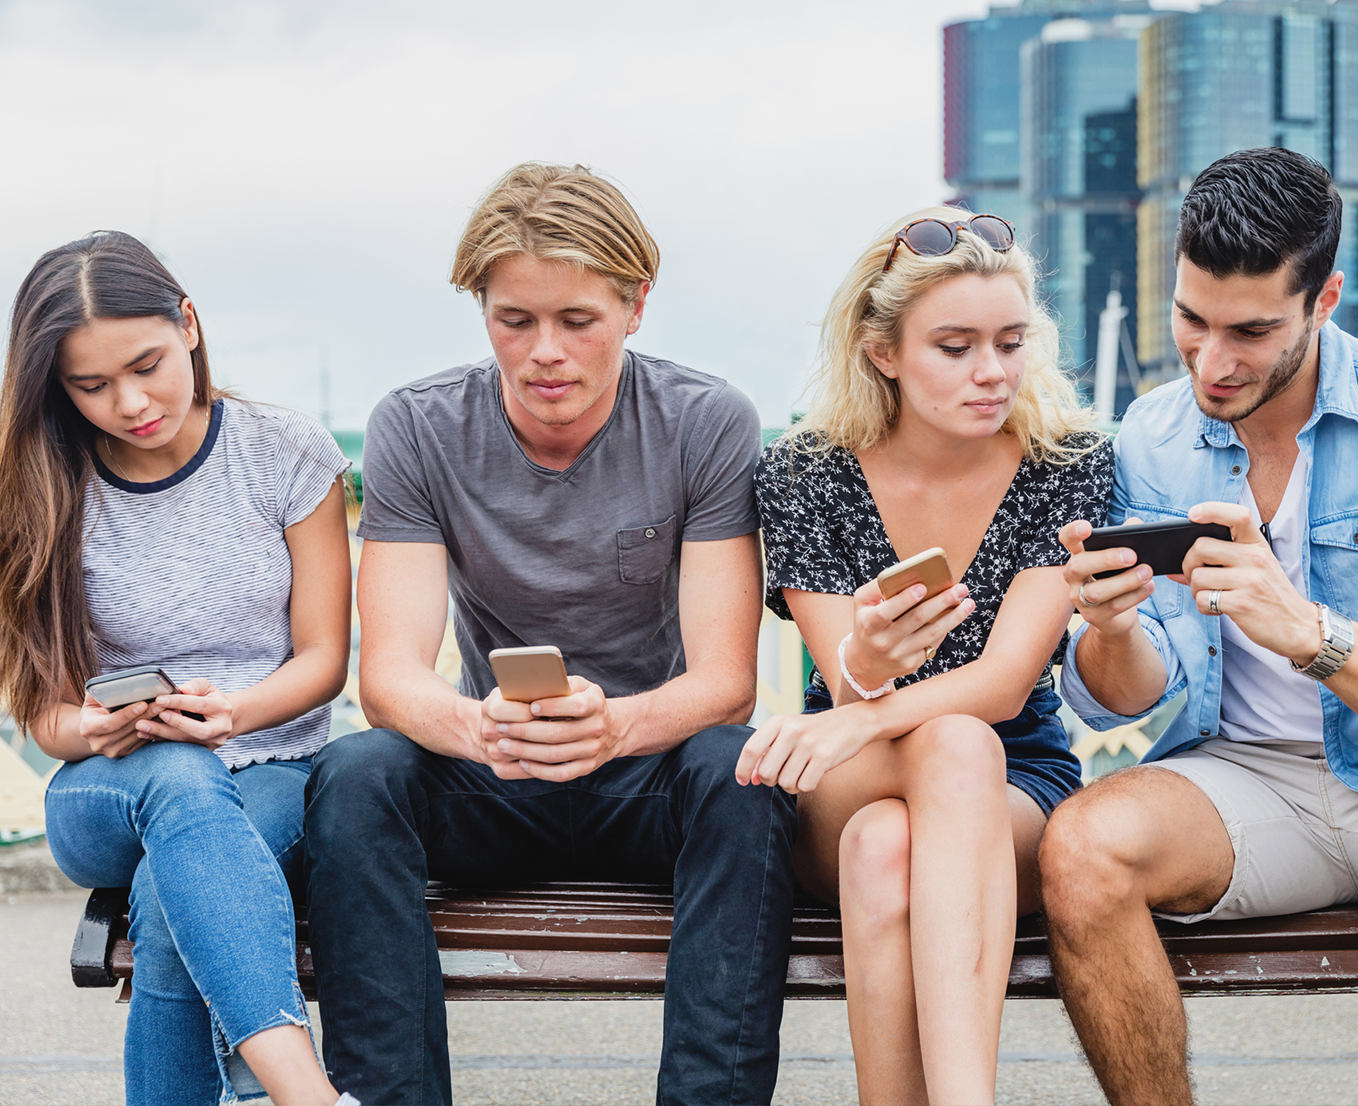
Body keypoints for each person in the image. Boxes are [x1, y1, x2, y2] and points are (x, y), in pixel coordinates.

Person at [303, 163, 798, 1106]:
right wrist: (479, 731)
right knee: (356, 773)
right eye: (514, 321)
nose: (545, 354)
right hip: (491, 772)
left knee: (741, 773)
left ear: (636, 307)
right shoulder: (415, 427)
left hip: (644, 772)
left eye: (578, 320)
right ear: (482, 310)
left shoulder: (705, 420)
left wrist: (612, 728)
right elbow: (393, 680)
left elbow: (727, 680)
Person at [1044, 146, 1358, 1105]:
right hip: (1243, 781)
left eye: (1252, 331)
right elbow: (1128, 701)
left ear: (1324, 298)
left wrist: (1310, 633)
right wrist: (1106, 628)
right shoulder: (1150, 434)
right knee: (1082, 847)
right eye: (1190, 319)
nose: (1212, 363)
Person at [737, 207, 1112, 1105]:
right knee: (921, 770)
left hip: (1013, 777)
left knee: (889, 839)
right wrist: (862, 671)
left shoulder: (1066, 463)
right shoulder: (804, 474)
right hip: (853, 767)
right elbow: (846, 671)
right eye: (955, 347)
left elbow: (1004, 683)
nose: (992, 373)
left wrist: (854, 709)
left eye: (1010, 341)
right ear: (882, 352)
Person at [0, 232, 355, 1106]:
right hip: (104, 789)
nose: (130, 402)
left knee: (171, 897)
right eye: (90, 386)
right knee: (180, 783)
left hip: (271, 765)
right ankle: (306, 1095)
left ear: (189, 324)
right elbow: (42, 714)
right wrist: (95, 726)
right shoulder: (40, 489)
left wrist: (233, 712)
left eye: (147, 364)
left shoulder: (286, 452)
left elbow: (323, 660)